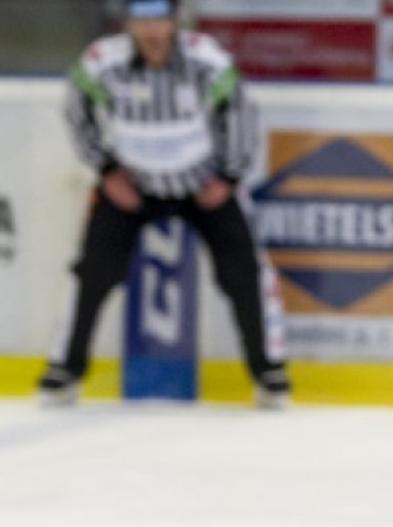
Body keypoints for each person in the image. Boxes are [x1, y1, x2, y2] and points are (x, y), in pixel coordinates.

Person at [39, 0, 288, 408]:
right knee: (92, 273)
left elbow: (241, 113)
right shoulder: (102, 62)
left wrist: (228, 176)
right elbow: (75, 108)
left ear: (175, 22)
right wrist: (106, 170)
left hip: (200, 185)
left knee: (245, 273)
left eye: (160, 20)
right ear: (129, 24)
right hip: (133, 185)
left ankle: (268, 370)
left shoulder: (207, 61)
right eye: (142, 21)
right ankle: (65, 367)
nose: (152, 31)